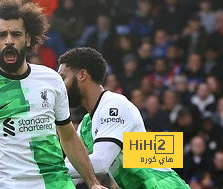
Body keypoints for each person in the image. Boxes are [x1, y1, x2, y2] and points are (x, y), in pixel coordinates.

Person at [0, 0, 106, 189]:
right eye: (2, 35)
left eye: (16, 34)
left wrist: (93, 183)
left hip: (57, 183)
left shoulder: (51, 79)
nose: (9, 41)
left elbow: (69, 136)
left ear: (28, 39)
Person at [58, 47, 190, 189]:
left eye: (62, 78)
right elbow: (68, 173)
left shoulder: (114, 106)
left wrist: (47, 171)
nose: (59, 87)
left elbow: (100, 163)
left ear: (82, 75)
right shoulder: (86, 126)